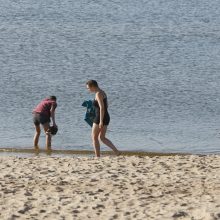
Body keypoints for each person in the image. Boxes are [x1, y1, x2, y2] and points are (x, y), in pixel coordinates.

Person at [86, 80, 120, 157]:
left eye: (88, 88)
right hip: (106, 116)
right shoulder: (103, 92)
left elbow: (102, 108)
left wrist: (101, 121)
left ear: (92, 86)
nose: (88, 90)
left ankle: (97, 156)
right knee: (102, 137)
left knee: (94, 137)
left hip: (100, 117)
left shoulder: (98, 94)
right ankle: (116, 152)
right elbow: (106, 105)